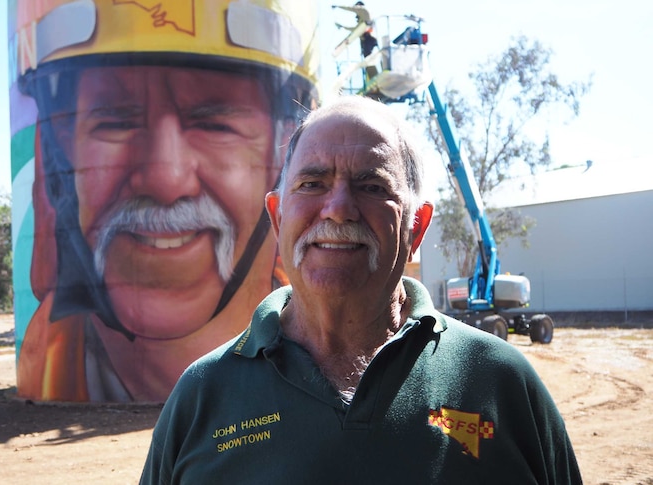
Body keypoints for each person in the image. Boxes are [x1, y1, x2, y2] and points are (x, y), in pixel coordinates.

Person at [140, 96, 582, 484]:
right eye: (311, 184)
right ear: (277, 219)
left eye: (372, 186)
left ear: (417, 228)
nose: (337, 210)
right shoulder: (203, 395)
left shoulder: (499, 381)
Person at [10, 0, 319, 402]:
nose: (165, 181)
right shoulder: (47, 362)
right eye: (116, 121)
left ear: (281, 154)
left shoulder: (320, 370)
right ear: (61, 150)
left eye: (215, 123)